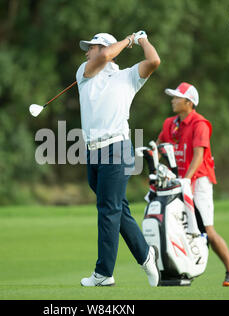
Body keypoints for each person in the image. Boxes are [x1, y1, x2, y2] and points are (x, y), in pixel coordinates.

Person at [76, 31, 161, 287]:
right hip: (93, 151)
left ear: (102, 47)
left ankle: (104, 273)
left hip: (117, 148)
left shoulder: (128, 76)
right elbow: (104, 56)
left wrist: (141, 40)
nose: (87, 52)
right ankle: (146, 255)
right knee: (116, 208)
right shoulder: (85, 73)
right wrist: (128, 40)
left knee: (108, 211)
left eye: (90, 47)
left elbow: (154, 61)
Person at [156, 82, 229, 287]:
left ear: (189, 102)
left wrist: (187, 178)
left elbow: (199, 155)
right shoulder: (170, 123)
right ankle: (179, 271)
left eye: (177, 97)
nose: (173, 100)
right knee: (175, 228)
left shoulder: (199, 124)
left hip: (199, 181)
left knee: (207, 231)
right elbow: (160, 146)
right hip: (178, 182)